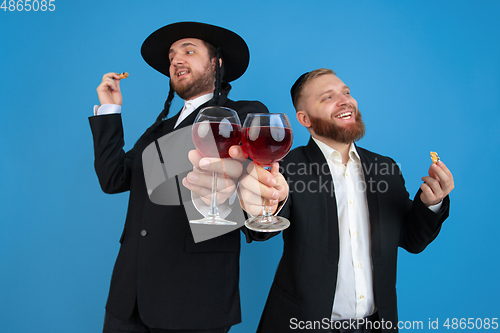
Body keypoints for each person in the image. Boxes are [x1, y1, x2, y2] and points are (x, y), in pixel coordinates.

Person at [185, 68, 454, 332]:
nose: (345, 100)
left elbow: (413, 240)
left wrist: (432, 203)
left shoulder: (387, 168)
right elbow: (263, 223)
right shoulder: (285, 165)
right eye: (327, 97)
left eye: (346, 92)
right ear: (305, 119)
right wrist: (260, 204)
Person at [89, 22, 268, 333]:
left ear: (217, 63)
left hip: (192, 302)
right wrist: (109, 110)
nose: (176, 61)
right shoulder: (158, 130)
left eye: (189, 51)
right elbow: (113, 178)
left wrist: (256, 202)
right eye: (171, 57)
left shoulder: (239, 116)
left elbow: (253, 196)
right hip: (127, 299)